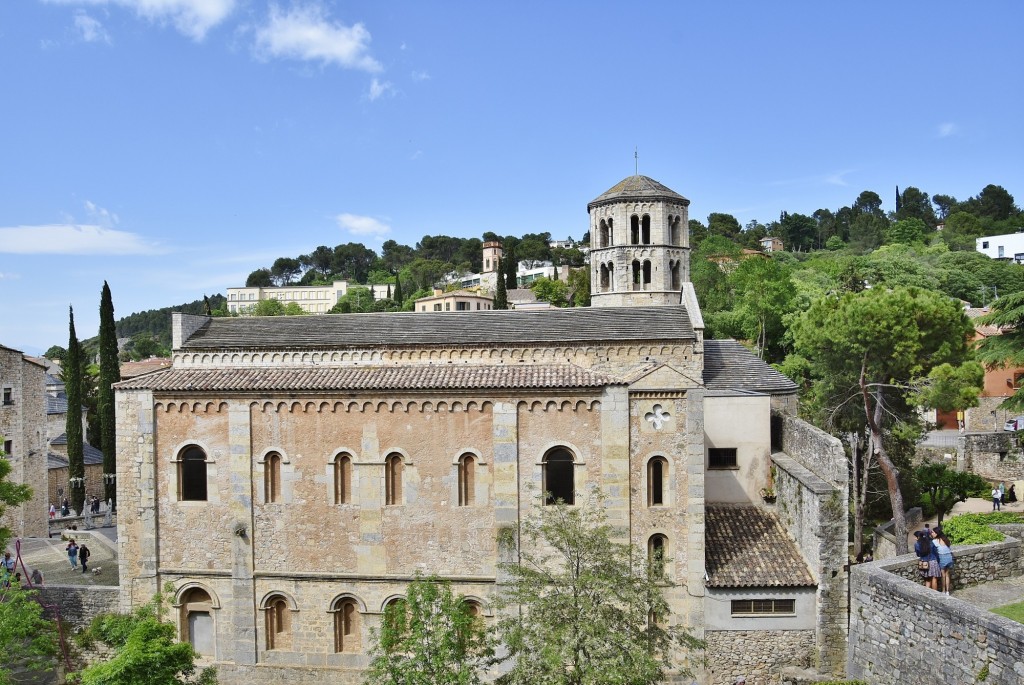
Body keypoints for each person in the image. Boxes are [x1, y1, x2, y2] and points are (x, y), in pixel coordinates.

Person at [932, 527, 954, 595]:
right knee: (947, 575)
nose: (932, 533)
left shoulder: (935, 541)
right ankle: (947, 591)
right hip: (949, 557)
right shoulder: (946, 539)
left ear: (936, 533)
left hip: (942, 558)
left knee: (943, 575)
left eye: (933, 532)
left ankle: (943, 590)